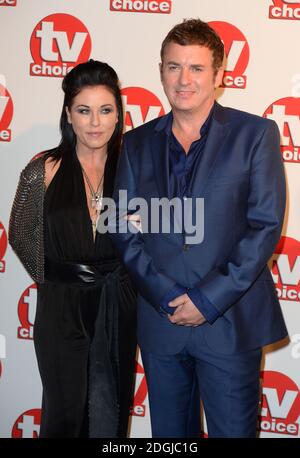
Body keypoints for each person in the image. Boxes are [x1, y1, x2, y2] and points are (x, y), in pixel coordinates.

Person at [108, 19, 288, 438]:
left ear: (220, 75)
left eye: (196, 68)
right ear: (160, 72)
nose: (183, 79)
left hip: (228, 322)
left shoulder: (255, 134)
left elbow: (264, 227)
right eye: (173, 67)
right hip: (161, 322)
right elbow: (121, 225)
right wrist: (168, 295)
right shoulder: (135, 144)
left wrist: (207, 300)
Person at [9, 60, 137, 438]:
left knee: (111, 408)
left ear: (118, 114)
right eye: (84, 110)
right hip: (62, 310)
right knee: (65, 416)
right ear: (68, 114)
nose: (95, 122)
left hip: (118, 304)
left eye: (105, 109)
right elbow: (20, 234)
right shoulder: (43, 169)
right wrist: (62, 280)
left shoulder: (132, 169)